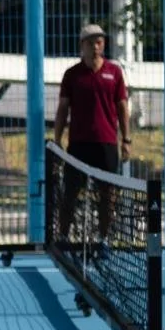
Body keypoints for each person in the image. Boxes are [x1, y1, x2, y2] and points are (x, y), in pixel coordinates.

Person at [51, 23, 131, 257]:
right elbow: (62, 109)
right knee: (70, 193)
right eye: (90, 42)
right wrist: (57, 140)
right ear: (82, 46)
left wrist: (126, 140)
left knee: (107, 196)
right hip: (78, 145)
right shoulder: (72, 74)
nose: (96, 47)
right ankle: (63, 238)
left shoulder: (114, 73)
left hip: (106, 145)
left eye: (99, 42)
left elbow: (122, 108)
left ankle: (103, 240)